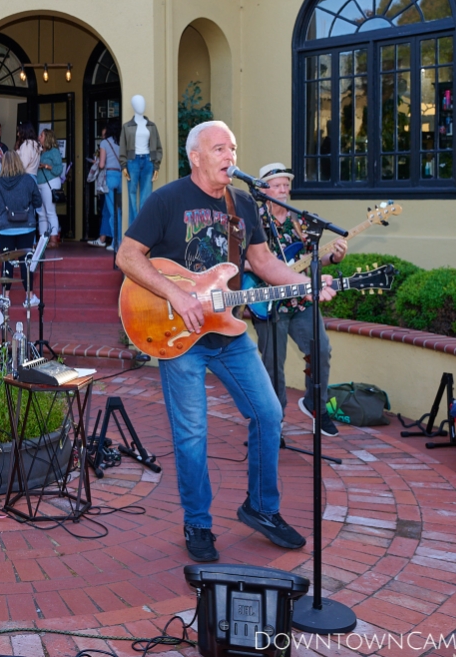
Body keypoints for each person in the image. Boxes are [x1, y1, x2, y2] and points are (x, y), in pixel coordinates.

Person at [115, 120, 336, 564]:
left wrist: (305, 284)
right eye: (219, 148)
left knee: (269, 413)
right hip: (180, 334)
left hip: (228, 331)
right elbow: (127, 255)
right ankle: (198, 522)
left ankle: (261, 507)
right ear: (195, 156)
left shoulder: (243, 203)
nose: (229, 156)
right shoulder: (167, 200)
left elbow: (263, 262)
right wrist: (177, 294)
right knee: (192, 433)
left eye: (232, 148)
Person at [249, 162, 347, 436]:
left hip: (301, 300)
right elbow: (240, 259)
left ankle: (316, 405)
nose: (283, 190)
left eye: (286, 185)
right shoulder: (253, 221)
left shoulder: (301, 221)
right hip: (269, 301)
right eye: (277, 185)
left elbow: (311, 260)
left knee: (321, 350)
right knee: (273, 364)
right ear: (264, 189)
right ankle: (274, 420)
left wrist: (333, 257)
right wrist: (268, 269)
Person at [0, 151, 42, 307]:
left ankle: (6, 296)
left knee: (7, 261)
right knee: (26, 261)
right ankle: (29, 296)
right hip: (26, 227)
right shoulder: (29, 180)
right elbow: (38, 202)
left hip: (4, 227)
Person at [88, 121, 123, 250]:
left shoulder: (104, 143)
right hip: (120, 176)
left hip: (110, 176)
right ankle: (121, 239)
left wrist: (96, 162)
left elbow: (102, 164)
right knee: (118, 210)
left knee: (113, 211)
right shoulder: (120, 142)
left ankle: (116, 243)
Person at [35, 129, 63, 248]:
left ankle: (53, 239)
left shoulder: (54, 151)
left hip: (50, 183)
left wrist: (46, 166)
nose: (39, 137)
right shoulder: (39, 151)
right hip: (40, 184)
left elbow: (59, 169)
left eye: (41, 135)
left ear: (47, 138)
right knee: (41, 213)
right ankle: (43, 240)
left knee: (50, 212)